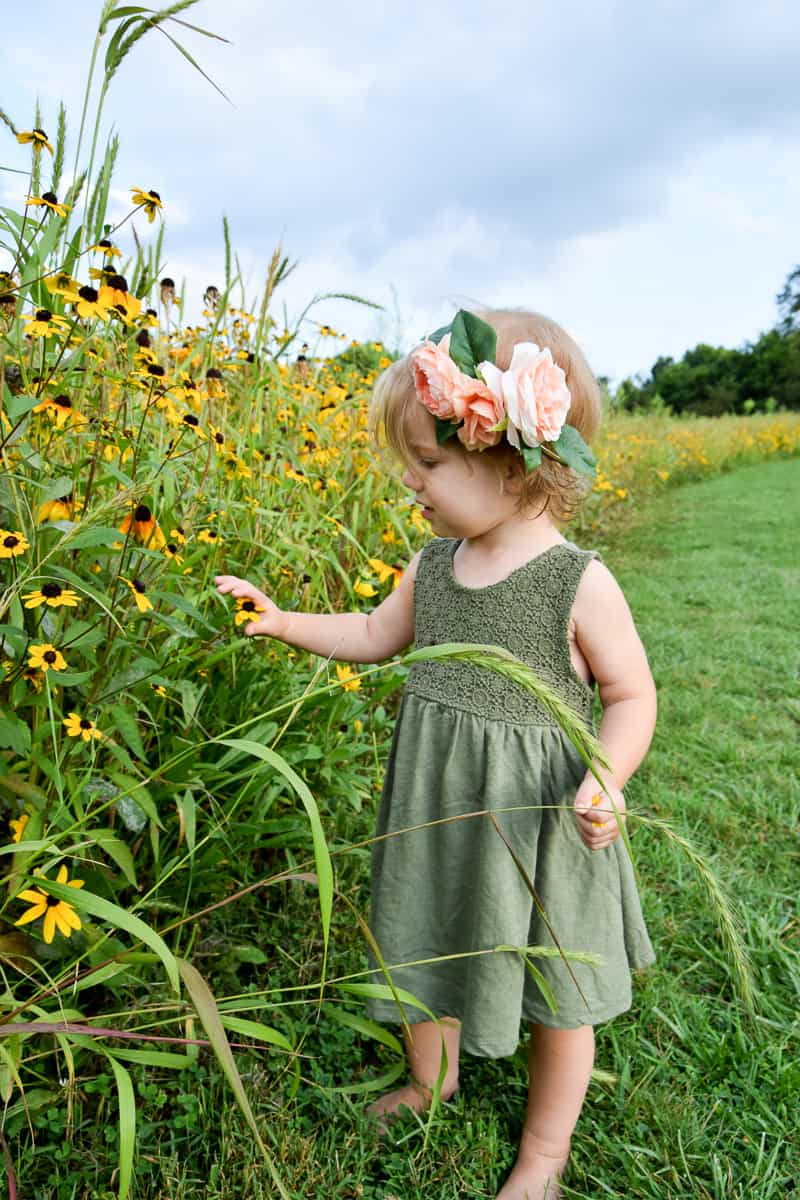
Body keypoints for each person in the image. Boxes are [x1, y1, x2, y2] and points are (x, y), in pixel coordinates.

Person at [214, 307, 657, 1200]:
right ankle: (430, 1077)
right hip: (439, 807)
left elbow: (631, 696)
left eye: (426, 463)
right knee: (426, 943)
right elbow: (376, 633)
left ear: (508, 455)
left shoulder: (577, 581)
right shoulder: (435, 563)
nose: (410, 484)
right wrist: (284, 619)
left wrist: (606, 777)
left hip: (539, 826)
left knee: (557, 992)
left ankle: (542, 1156)